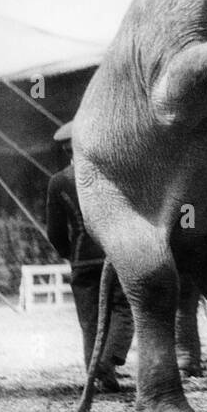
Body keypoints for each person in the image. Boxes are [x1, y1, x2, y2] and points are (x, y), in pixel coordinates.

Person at [45, 123, 133, 391]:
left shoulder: (58, 181)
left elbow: (55, 231)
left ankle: (97, 373)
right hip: (114, 253)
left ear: (66, 148)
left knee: (89, 320)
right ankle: (108, 361)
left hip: (82, 257)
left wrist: (69, 254)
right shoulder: (113, 174)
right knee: (123, 309)